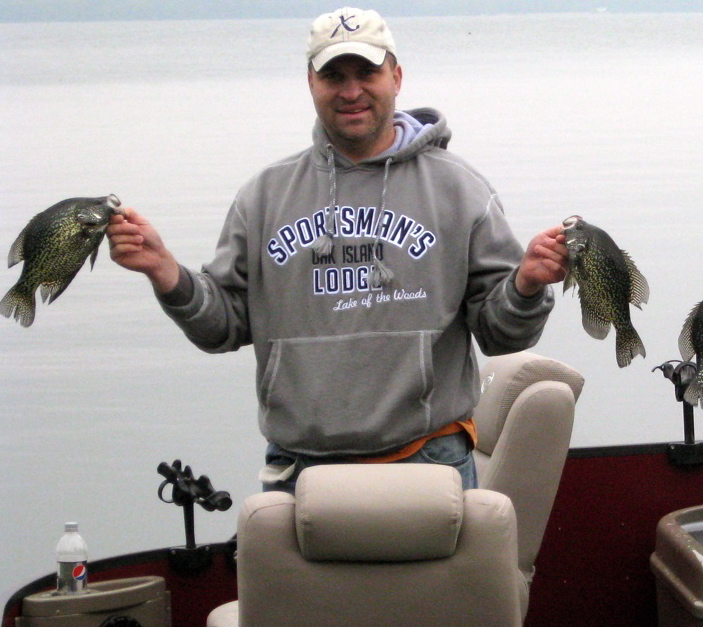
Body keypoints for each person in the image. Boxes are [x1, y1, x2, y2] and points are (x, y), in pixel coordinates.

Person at [107, 7, 568, 492]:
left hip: (429, 458)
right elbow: (223, 327)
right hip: (298, 467)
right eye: (333, 76)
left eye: (366, 72)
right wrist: (165, 272)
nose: (351, 92)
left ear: (396, 76)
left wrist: (525, 284)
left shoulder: (460, 189)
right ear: (311, 83)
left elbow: (502, 335)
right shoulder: (263, 196)